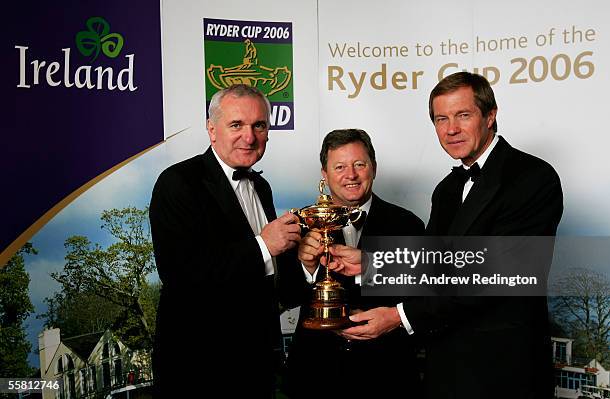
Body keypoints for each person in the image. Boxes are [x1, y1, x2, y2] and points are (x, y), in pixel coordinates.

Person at [331, 72, 563, 398]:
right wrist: (369, 265)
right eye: (441, 118)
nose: (451, 128)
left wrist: (399, 316)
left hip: (504, 372)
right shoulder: (447, 189)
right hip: (446, 368)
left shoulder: (532, 178)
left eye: (462, 115)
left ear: (490, 115)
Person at [149, 84, 301, 397]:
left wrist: (305, 262)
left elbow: (272, 281)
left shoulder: (262, 187)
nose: (249, 136)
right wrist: (263, 245)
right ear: (212, 129)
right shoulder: (178, 183)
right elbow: (182, 276)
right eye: (237, 125)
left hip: (257, 365)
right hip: (199, 370)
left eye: (259, 125)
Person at [278, 129, 425, 398]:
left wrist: (371, 268)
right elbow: (284, 296)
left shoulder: (408, 224)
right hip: (315, 376)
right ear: (324, 174)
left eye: (359, 164)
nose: (351, 175)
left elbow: (422, 297)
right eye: (340, 167)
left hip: (387, 374)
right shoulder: (300, 224)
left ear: (374, 168)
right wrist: (307, 267)